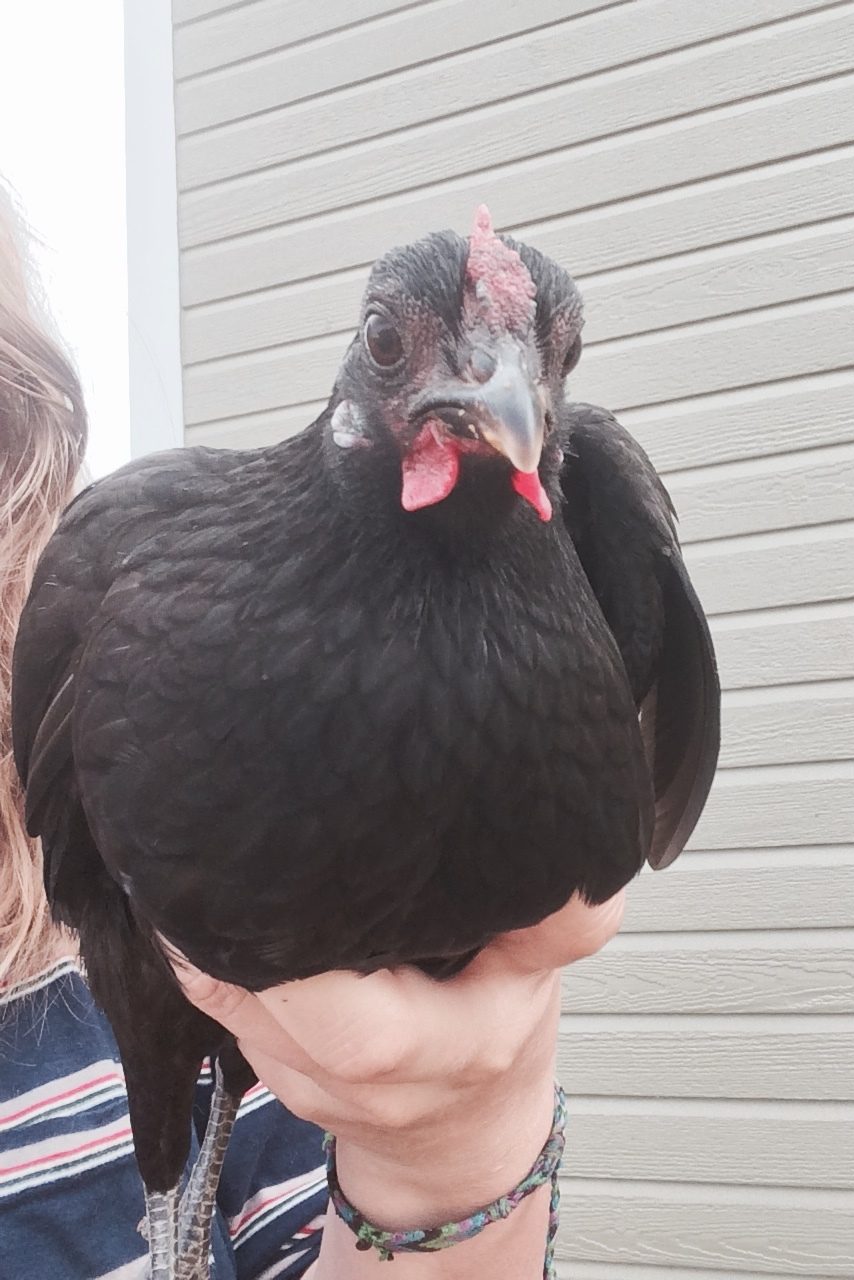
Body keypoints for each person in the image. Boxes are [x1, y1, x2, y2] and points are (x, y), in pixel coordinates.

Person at [0, 182, 624, 1278]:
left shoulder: (582, 553)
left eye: (544, 359)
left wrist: (449, 1154)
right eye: (395, 345)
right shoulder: (127, 582)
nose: (499, 383)